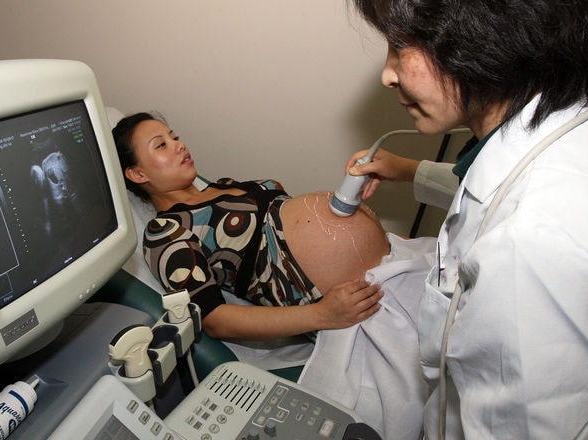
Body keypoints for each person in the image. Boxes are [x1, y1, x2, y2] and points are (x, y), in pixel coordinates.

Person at [344, 0, 588, 438]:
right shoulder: (569, 130)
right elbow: (492, 191)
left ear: (479, 36)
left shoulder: (533, 245)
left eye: (399, 46)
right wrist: (408, 169)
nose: (388, 74)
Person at [112, 112, 389, 341]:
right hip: (356, 305)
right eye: (161, 145)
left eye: (175, 137)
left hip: (389, 264)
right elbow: (214, 320)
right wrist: (323, 314)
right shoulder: (166, 232)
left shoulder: (225, 184)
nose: (179, 145)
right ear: (137, 173)